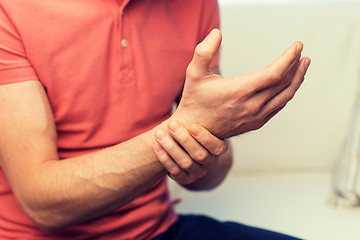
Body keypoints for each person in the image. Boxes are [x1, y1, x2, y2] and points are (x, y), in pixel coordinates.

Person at [0, 0, 310, 239]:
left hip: (159, 230)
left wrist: (211, 136)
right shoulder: (9, 9)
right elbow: (41, 203)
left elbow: (211, 177)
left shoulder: (195, 4)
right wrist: (184, 132)